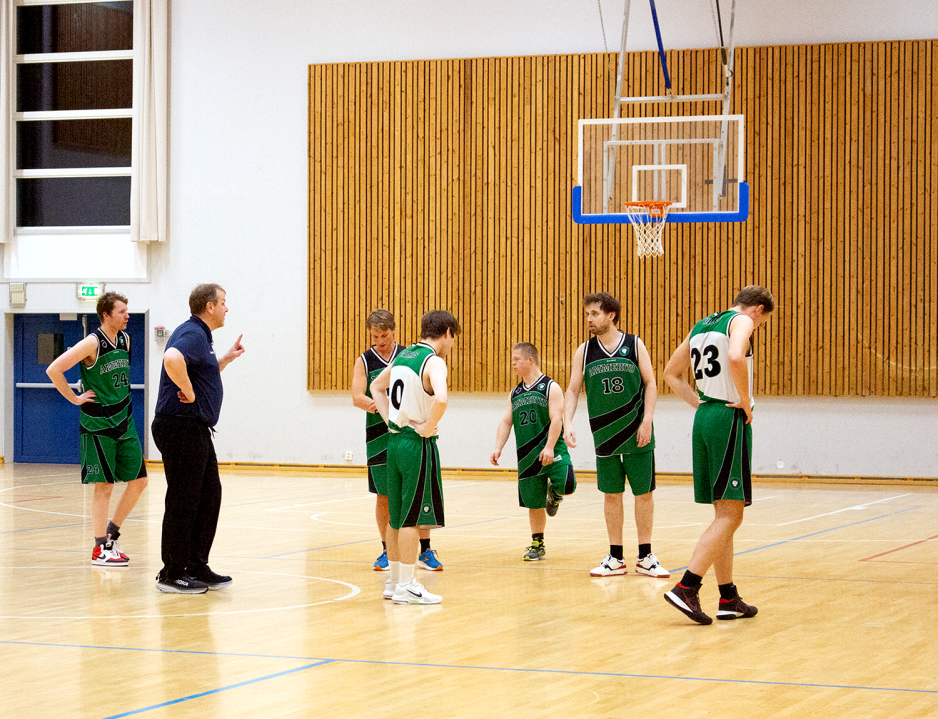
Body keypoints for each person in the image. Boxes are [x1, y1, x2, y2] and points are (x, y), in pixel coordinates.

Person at [662, 285, 774, 625]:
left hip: (705, 417)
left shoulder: (701, 325)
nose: (758, 327)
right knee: (732, 515)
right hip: (728, 418)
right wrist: (743, 399)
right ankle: (687, 586)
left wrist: (703, 406)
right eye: (763, 321)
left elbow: (671, 374)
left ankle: (727, 596)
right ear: (757, 309)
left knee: (723, 513)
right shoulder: (740, 321)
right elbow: (736, 357)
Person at [564, 292, 669, 579]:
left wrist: (647, 419)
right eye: (587, 314)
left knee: (643, 494)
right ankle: (616, 557)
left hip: (637, 432)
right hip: (605, 435)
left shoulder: (634, 344)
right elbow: (572, 389)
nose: (589, 319)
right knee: (612, 495)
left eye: (594, 313)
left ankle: (646, 556)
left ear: (611, 315)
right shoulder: (584, 351)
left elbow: (651, 383)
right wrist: (567, 421)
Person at [152, 284, 244, 594]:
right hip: (179, 426)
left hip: (193, 428)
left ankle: (195, 564)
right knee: (184, 499)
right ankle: (172, 572)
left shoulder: (202, 336)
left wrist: (226, 359)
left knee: (208, 495)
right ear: (209, 307)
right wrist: (189, 393)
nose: (226, 308)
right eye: (223, 302)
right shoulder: (192, 334)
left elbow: (200, 373)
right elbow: (172, 358)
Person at [46, 292, 148, 567]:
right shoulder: (91, 343)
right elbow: (54, 369)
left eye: (128, 310)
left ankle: (112, 535)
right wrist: (75, 398)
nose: (127, 315)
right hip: (98, 423)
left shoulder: (125, 340)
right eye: (122, 311)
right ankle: (99, 548)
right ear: (106, 315)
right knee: (104, 486)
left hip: (125, 420)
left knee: (139, 482)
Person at [371, 310, 460, 605]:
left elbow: (376, 387)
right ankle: (408, 585)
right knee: (410, 518)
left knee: (395, 519)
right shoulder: (434, 361)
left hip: (393, 442)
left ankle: (395, 581)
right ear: (446, 332)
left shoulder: (404, 355)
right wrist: (427, 428)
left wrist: (389, 419)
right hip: (414, 446)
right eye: (452, 337)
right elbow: (443, 398)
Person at [351, 310, 442, 572]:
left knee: (417, 492)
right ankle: (386, 550)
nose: (380, 340)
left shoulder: (408, 356)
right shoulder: (365, 361)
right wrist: (379, 407)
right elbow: (357, 396)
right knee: (384, 495)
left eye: (384, 335)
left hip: (409, 433)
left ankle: (425, 550)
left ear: (394, 331)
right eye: (375, 336)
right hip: (379, 436)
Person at [490, 343, 576, 561]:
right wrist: (498, 448)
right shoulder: (515, 393)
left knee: (567, 484)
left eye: (517, 359)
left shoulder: (551, 387)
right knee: (534, 503)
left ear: (531, 360)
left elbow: (557, 419)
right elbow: (506, 421)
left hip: (551, 448)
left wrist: (548, 447)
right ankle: (537, 543)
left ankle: (555, 495)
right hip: (527, 455)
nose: (513, 363)